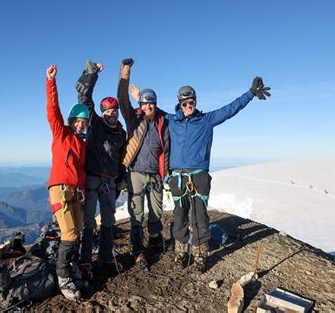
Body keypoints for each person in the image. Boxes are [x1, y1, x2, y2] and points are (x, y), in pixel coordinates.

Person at [129, 72, 271, 271]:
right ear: (180, 103)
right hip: (178, 177)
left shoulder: (207, 120)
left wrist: (250, 93)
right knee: (179, 215)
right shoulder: (171, 120)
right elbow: (151, 108)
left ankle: (201, 253)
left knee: (200, 215)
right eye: (185, 102)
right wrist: (139, 98)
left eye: (192, 102)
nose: (189, 106)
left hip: (200, 175)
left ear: (195, 102)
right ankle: (181, 251)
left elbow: (230, 109)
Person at [74, 60, 127, 277]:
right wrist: (91, 73)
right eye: (107, 111)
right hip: (93, 179)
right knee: (88, 223)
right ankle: (85, 260)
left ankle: (105, 257)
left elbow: (123, 159)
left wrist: (121, 179)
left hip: (110, 182)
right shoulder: (94, 124)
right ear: (102, 112)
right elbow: (84, 99)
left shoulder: (121, 134)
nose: (111, 114)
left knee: (108, 221)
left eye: (114, 111)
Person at [118, 58, 170, 267]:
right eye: (144, 103)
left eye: (151, 103)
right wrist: (126, 72)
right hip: (136, 173)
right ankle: (138, 250)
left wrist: (140, 95)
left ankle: (155, 243)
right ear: (140, 105)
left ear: (156, 105)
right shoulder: (133, 118)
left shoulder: (162, 122)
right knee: (136, 214)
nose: (148, 106)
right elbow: (122, 97)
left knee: (156, 213)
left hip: (156, 174)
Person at [45, 63, 89, 300]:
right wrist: (51, 81)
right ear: (72, 120)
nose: (81, 124)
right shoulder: (61, 133)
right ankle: (63, 277)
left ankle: (71, 268)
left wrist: (81, 190)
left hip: (75, 191)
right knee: (70, 233)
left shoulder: (81, 144)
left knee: (77, 232)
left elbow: (80, 170)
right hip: (59, 190)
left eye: (84, 122)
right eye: (78, 120)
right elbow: (53, 110)